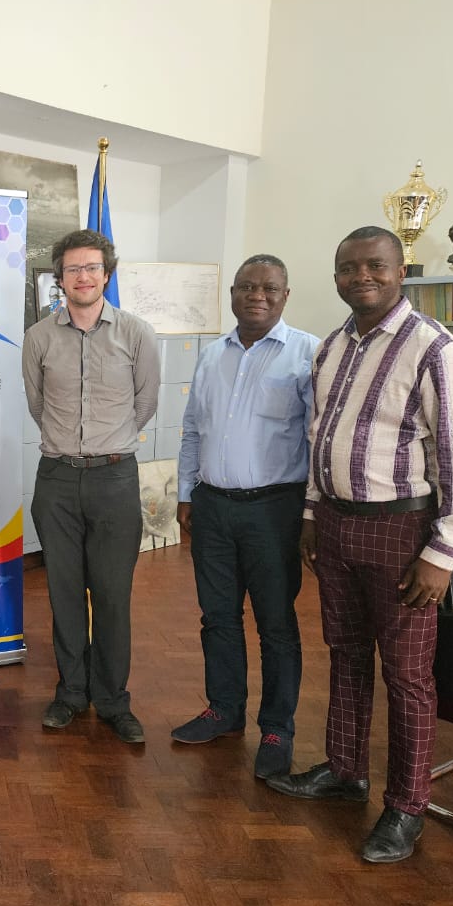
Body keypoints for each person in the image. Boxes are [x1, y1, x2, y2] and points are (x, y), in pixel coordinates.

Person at [266, 225, 453, 864]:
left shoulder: (434, 348)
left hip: (404, 532)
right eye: (348, 268)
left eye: (375, 266)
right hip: (335, 525)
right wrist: (311, 513)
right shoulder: (332, 347)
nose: (361, 277)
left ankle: (406, 806)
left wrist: (442, 552)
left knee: (409, 676)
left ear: (400, 271)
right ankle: (345, 771)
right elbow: (319, 438)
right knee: (347, 654)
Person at [173, 254, 318, 780]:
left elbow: (317, 442)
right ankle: (224, 710)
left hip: (274, 510)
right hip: (213, 507)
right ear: (232, 294)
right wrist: (187, 495)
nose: (258, 295)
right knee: (217, 617)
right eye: (247, 287)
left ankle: (277, 728)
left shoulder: (307, 354)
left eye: (270, 288)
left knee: (276, 625)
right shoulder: (212, 354)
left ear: (285, 295)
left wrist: (310, 514)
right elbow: (192, 429)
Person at [22, 228, 160, 743]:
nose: (83, 277)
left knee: (111, 594)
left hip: (115, 477)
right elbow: (38, 406)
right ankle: (70, 693)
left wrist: (107, 443)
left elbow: (145, 404)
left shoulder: (136, 333)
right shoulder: (39, 337)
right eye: (73, 269)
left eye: (92, 268)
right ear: (59, 279)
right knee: (62, 593)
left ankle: (113, 700)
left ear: (107, 274)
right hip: (57, 479)